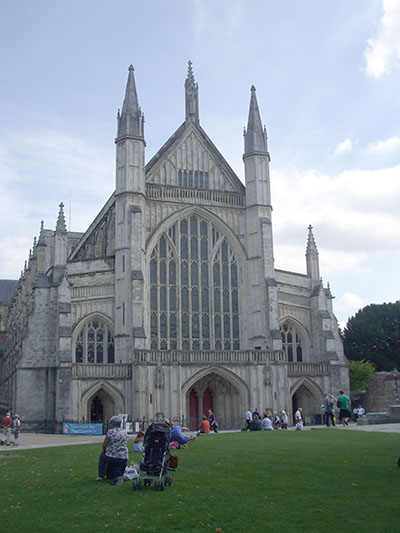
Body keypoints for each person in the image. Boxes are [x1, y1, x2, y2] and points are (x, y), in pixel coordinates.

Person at [96, 415, 129, 485]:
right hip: (124, 456)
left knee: (103, 457)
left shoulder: (110, 432)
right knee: (119, 466)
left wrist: (104, 450)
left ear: (112, 424)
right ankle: (118, 477)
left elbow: (104, 445)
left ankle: (101, 475)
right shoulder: (125, 432)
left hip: (112, 455)